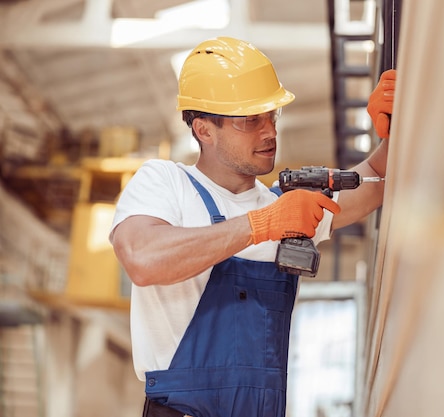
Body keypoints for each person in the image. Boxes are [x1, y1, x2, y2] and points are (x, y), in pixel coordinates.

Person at [109, 37, 395, 417]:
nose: (269, 132)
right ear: (203, 130)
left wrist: (398, 125)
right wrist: (260, 225)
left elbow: (375, 179)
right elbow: (142, 258)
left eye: (271, 115)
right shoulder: (166, 182)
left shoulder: (288, 206)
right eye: (250, 120)